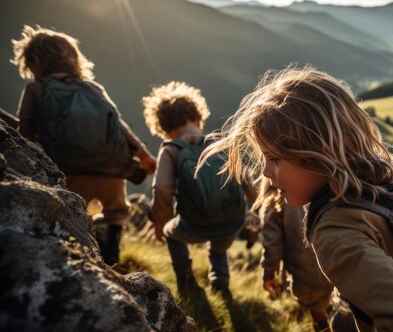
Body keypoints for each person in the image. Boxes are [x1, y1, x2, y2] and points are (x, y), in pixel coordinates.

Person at [198, 66, 393, 332]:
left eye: (275, 159)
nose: (265, 172)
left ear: (318, 153)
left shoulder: (334, 231)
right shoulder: (379, 189)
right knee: (341, 322)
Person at [12, 25, 156, 266]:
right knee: (117, 210)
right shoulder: (92, 88)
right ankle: (113, 242)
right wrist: (144, 154)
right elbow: (119, 126)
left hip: (70, 169)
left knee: (74, 212)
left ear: (34, 60)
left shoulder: (36, 89)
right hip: (112, 168)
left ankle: (83, 253)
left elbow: (23, 134)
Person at [142, 81, 256, 294]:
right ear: (198, 117)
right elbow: (248, 182)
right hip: (232, 222)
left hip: (193, 225)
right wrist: (253, 213)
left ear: (163, 128)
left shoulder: (171, 150)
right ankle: (220, 283)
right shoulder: (222, 144)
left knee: (171, 233)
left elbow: (163, 189)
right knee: (218, 250)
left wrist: (160, 222)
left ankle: (186, 280)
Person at [253, 178, 334, 332]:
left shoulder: (273, 202)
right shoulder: (314, 186)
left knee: (319, 315)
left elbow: (272, 246)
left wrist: (268, 274)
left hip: (305, 272)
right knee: (342, 310)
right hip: (332, 264)